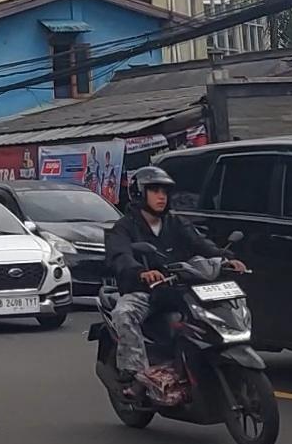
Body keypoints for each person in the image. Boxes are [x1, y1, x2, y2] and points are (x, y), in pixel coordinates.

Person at [103, 166, 247, 405]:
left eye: (165, 192)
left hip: (179, 288)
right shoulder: (124, 227)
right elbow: (120, 255)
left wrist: (225, 259)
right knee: (124, 313)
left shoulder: (175, 222)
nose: (161, 197)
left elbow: (201, 244)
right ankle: (135, 375)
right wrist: (141, 272)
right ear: (139, 194)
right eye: (154, 191)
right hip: (144, 292)